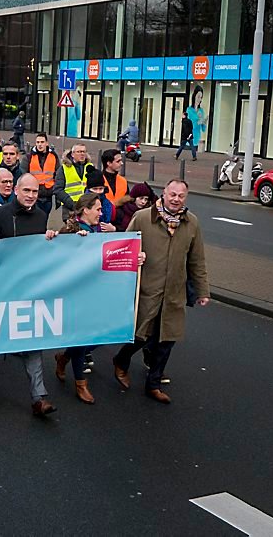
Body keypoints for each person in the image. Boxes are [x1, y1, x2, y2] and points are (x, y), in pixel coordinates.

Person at [113, 179, 209, 403]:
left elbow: (197, 260)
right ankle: (121, 360)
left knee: (167, 340)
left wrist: (203, 290)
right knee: (141, 335)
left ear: (186, 198)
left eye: (181, 196)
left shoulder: (191, 223)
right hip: (148, 289)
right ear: (164, 194)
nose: (176, 199)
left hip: (174, 292)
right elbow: (124, 248)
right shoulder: (144, 218)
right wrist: (133, 260)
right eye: (172, 194)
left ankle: (153, 384)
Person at [0, 174, 60, 416]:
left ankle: (39, 397)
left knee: (32, 337)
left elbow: (41, 250)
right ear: (16, 190)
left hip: (28, 288)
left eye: (35, 192)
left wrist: (49, 239)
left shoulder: (40, 216)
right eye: (26, 190)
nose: (30, 195)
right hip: (1, 286)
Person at [55, 193, 123, 404]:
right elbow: (56, 257)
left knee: (100, 336)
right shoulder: (70, 231)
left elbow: (115, 253)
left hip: (98, 292)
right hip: (77, 294)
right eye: (98, 209)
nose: (101, 214)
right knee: (82, 336)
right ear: (85, 210)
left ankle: (64, 358)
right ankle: (80, 383)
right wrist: (59, 238)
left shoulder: (99, 230)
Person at [22, 133, 63, 215]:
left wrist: (57, 196)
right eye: (38, 142)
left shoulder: (53, 156)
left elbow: (58, 176)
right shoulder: (29, 157)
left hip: (48, 196)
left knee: (44, 220)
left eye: (42, 142)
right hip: (34, 196)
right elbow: (23, 175)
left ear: (46, 143)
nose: (40, 144)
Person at [55, 144, 93, 220]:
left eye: (84, 151)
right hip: (69, 207)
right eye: (79, 152)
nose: (82, 154)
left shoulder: (90, 167)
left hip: (86, 205)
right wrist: (72, 204)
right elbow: (58, 190)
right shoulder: (64, 168)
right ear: (72, 154)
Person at [99, 149, 128, 220]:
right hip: (102, 220)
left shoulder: (123, 181)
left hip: (119, 220)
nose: (122, 163)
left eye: (121, 160)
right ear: (108, 163)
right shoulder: (97, 180)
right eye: (118, 161)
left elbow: (128, 204)